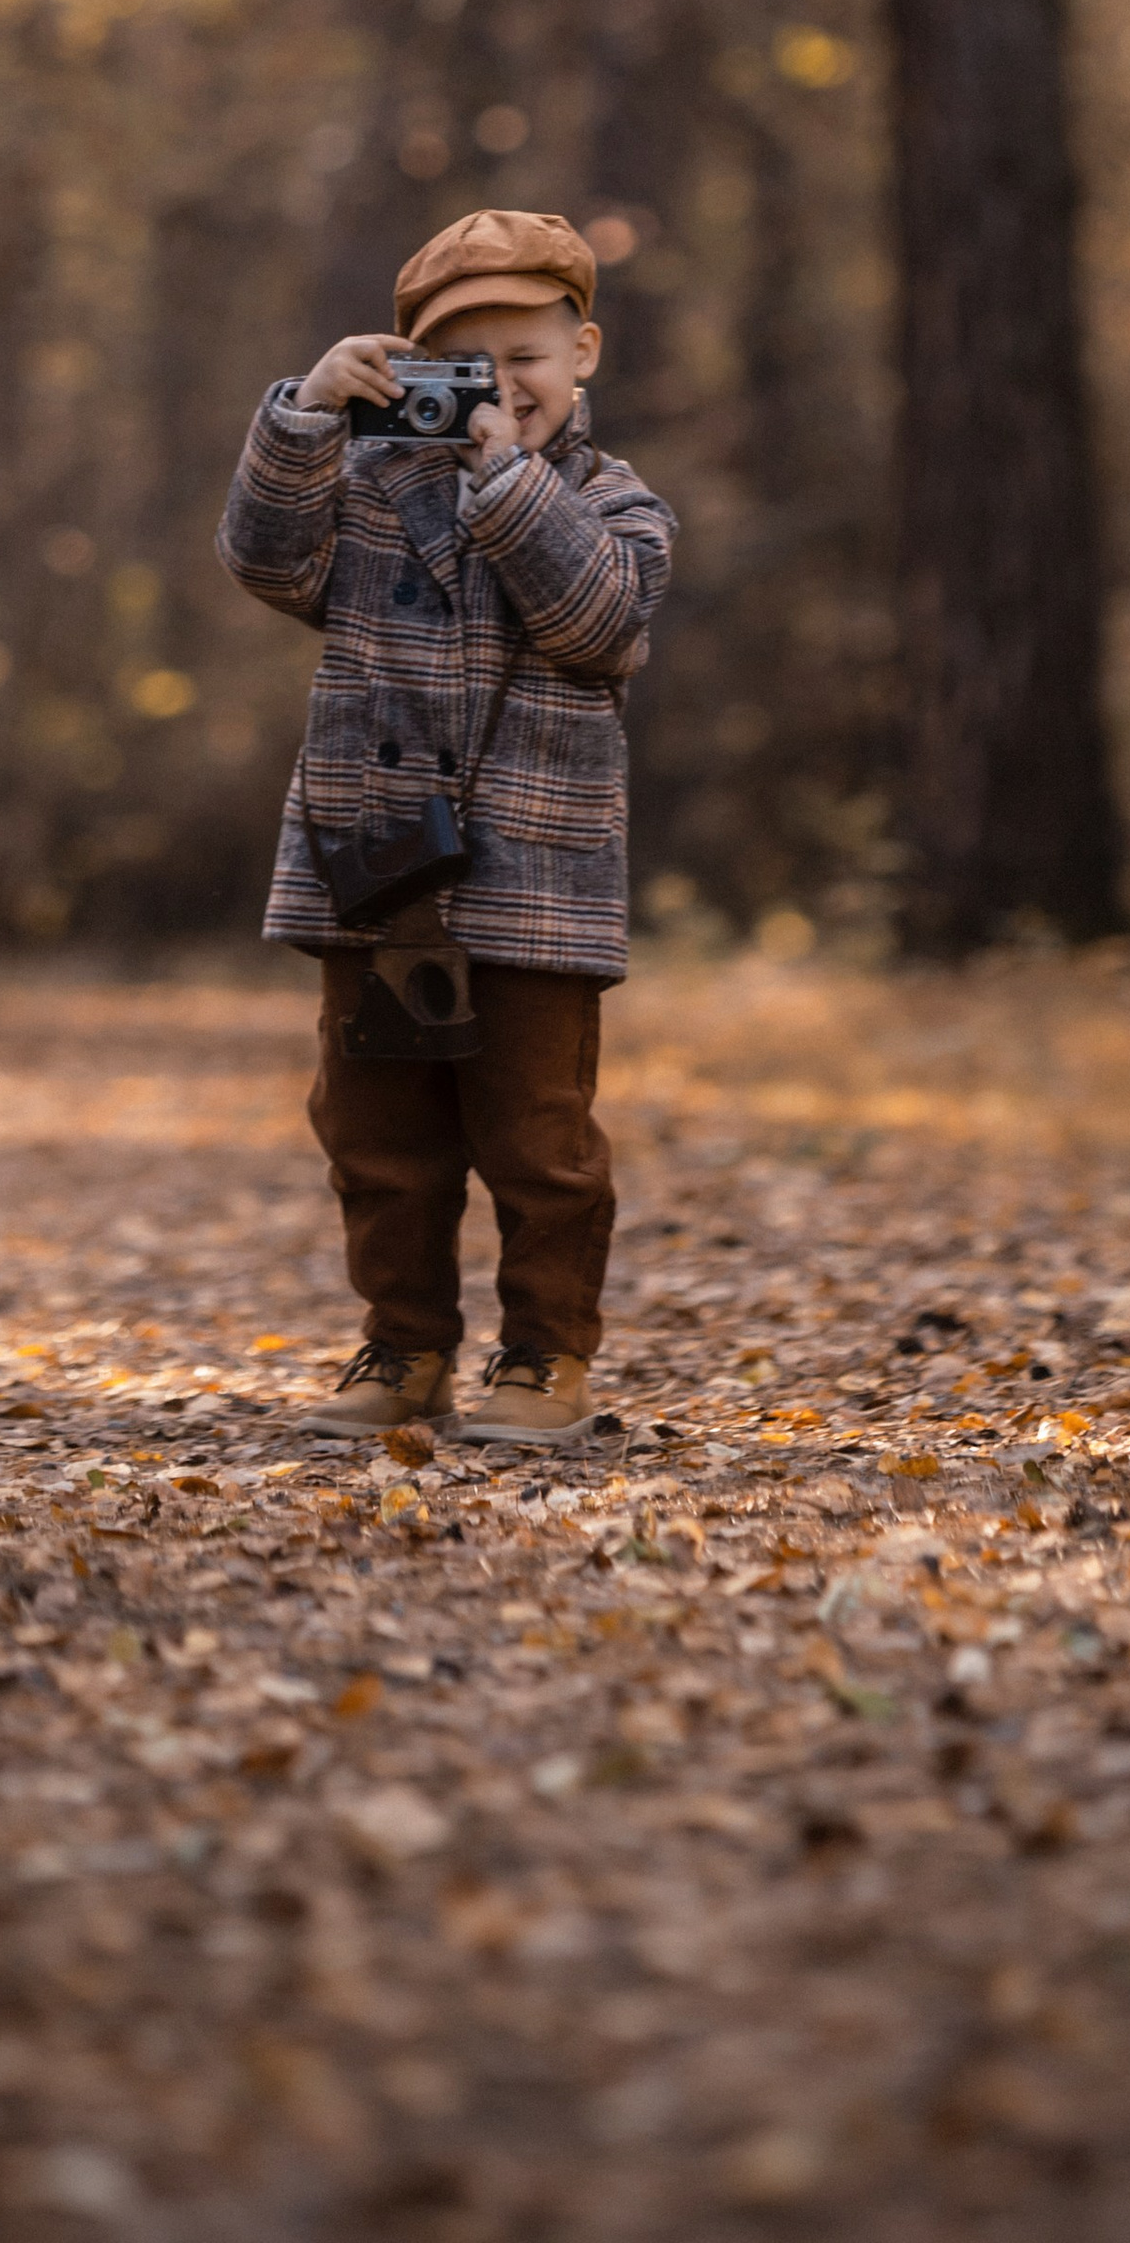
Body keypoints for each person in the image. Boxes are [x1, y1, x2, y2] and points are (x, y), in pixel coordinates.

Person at [217, 208, 677, 1449]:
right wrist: (305, 417)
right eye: (460, 363)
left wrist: (506, 480)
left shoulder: (617, 506)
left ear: (583, 352)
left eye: (523, 355)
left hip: (533, 883)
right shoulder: (368, 493)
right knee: (376, 1131)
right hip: (377, 871)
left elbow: (598, 625)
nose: (499, 387)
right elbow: (263, 559)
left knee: (538, 1139)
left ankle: (544, 1357)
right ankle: (405, 1342)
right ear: (411, 367)